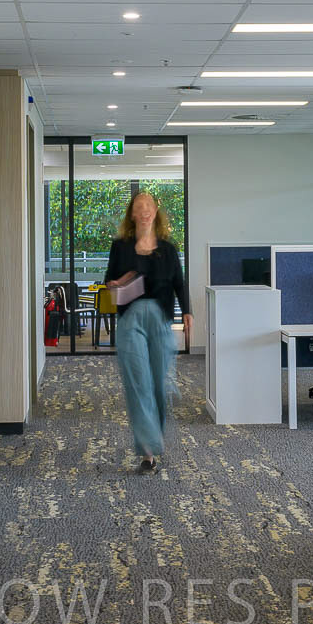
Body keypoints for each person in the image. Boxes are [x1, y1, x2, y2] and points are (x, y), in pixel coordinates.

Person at [104, 191, 192, 473]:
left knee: (158, 385)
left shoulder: (168, 249)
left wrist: (187, 311)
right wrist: (117, 283)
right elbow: (108, 282)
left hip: (160, 319)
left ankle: (154, 436)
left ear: (155, 212)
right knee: (138, 383)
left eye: (148, 205)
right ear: (132, 214)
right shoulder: (120, 247)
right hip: (131, 319)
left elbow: (179, 282)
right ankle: (148, 450)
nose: (144, 209)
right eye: (138, 206)